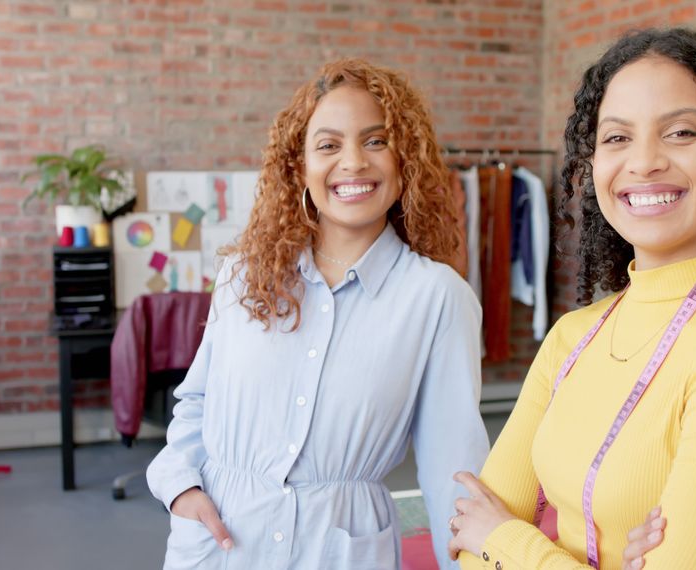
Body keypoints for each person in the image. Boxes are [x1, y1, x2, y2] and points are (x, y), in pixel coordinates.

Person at [448, 28, 696, 569]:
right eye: (617, 138)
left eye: (681, 132)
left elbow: (485, 537)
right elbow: (465, 554)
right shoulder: (575, 336)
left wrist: (504, 539)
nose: (644, 162)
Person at [146, 58, 489, 569]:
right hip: (219, 546)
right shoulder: (244, 275)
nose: (352, 162)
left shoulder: (437, 298)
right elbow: (197, 401)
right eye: (328, 145)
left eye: (376, 141)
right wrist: (181, 489)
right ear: (299, 167)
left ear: (406, 160)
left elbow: (452, 471)